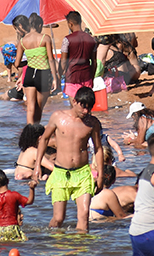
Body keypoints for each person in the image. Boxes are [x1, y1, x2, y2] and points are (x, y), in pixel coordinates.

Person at [34, 87, 104, 232]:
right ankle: (53, 242)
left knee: (84, 215)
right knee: (59, 218)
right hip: (61, 173)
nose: (86, 111)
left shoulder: (92, 123)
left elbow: (98, 149)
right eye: (83, 107)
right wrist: (37, 166)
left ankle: (81, 244)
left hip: (83, 173)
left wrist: (101, 175)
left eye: (89, 108)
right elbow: (44, 139)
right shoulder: (58, 117)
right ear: (74, 101)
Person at [15, 13, 58, 124]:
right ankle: (37, 129)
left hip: (29, 74)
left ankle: (29, 130)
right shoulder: (45, 38)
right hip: (43, 74)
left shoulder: (22, 41)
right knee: (39, 107)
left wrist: (27, 62)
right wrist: (55, 78)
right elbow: (51, 59)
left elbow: (16, 64)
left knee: (30, 108)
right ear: (39, 25)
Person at [0, 169, 36, 242]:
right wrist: (32, 189)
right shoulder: (15, 195)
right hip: (13, 229)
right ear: (8, 181)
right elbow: (29, 201)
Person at [59, 10, 96, 98]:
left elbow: (63, 62)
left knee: (75, 105)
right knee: (86, 104)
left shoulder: (67, 40)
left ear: (70, 24)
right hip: (87, 77)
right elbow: (94, 62)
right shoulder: (92, 40)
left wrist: (59, 76)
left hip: (72, 78)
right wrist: (92, 78)